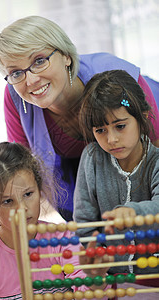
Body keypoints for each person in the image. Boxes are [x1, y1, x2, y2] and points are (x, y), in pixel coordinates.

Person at [0, 15, 159, 222]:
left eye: (40, 61)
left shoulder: (118, 77)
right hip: (82, 180)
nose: (31, 80)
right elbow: (24, 171)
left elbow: (154, 150)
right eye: (16, 73)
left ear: (66, 56)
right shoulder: (15, 97)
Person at [0, 142, 113, 299]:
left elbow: (88, 293)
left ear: (39, 189)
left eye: (28, 194)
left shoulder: (62, 240)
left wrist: (94, 278)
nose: (22, 208)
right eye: (8, 201)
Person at [74, 70, 159, 282]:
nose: (111, 139)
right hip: (112, 281)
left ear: (143, 116)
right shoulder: (92, 159)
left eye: (120, 126)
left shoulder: (156, 161)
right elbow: (84, 220)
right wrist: (96, 252)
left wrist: (133, 212)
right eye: (100, 130)